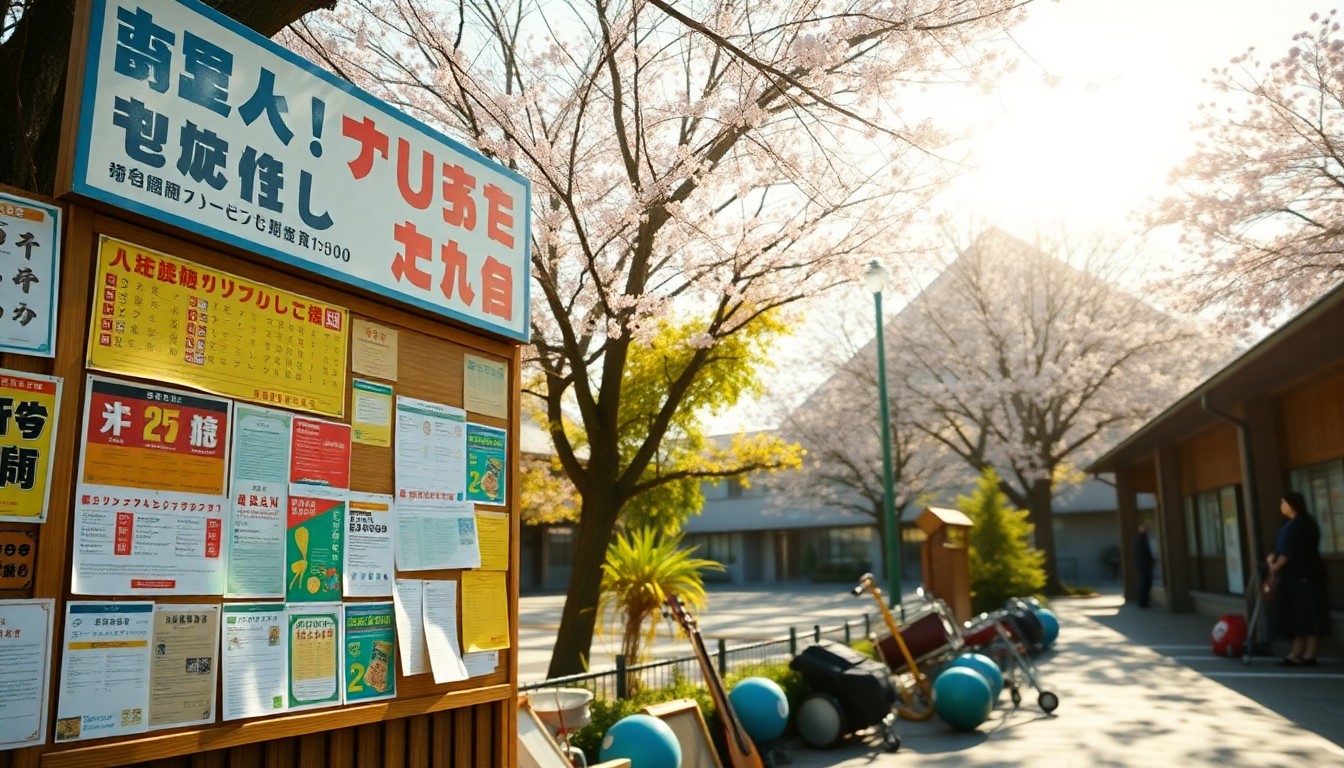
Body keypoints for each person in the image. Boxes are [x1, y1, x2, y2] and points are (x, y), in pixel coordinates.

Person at [1266, 491, 1330, 666]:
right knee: (1297, 615)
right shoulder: (1288, 524)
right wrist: (1271, 557)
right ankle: (1296, 652)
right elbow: (1278, 546)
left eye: (1283, 503)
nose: (1281, 506)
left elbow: (1290, 550)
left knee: (1309, 615)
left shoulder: (1304, 524)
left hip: (1306, 576)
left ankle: (1309, 654)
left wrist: (1275, 566)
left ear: (1292, 505)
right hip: (1292, 578)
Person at [1133, 523, 1155, 608]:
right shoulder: (1140, 540)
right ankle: (1143, 601)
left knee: (1146, 582)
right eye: (1144, 528)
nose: (1147, 529)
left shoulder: (1142, 539)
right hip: (1143, 565)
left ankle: (1144, 601)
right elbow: (1142, 553)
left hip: (1144, 564)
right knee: (1145, 583)